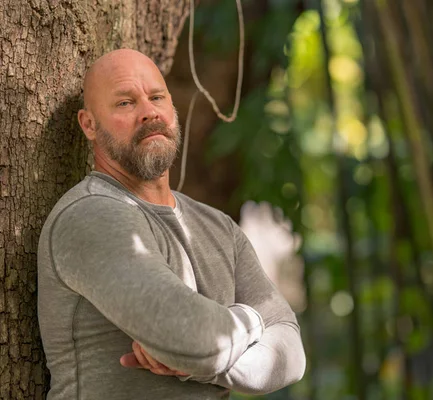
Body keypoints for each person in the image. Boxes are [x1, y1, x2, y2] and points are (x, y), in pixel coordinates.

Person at [37, 48, 306, 400]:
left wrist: (201, 360)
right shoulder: (90, 216)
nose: (148, 112)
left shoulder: (217, 227)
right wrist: (253, 321)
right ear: (89, 124)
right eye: (124, 103)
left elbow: (290, 353)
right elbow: (197, 339)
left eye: (157, 97)